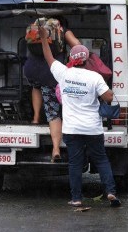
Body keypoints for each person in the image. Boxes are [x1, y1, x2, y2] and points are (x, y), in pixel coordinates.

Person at [38, 26, 120, 207]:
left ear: (70, 59)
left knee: (75, 164)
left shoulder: (63, 73)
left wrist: (44, 38)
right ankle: (111, 192)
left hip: (71, 129)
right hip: (92, 128)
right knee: (101, 160)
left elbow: (48, 58)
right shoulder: (95, 77)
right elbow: (108, 97)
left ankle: (76, 198)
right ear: (86, 59)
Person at [24, 16, 81, 163]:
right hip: (51, 72)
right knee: (53, 112)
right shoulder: (64, 30)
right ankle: (55, 148)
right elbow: (77, 45)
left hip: (32, 68)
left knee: (36, 86)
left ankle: (35, 118)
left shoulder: (36, 27)